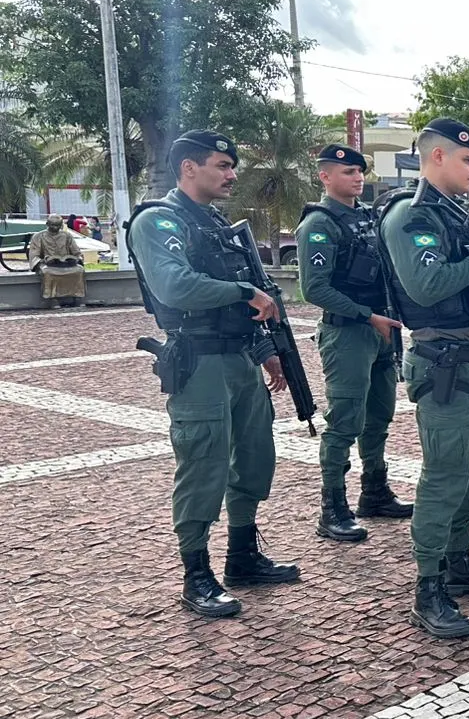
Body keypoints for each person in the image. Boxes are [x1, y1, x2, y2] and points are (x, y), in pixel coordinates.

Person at [126, 130, 300, 619]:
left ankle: (242, 555)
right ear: (189, 168)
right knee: (203, 464)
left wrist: (266, 350)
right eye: (222, 165)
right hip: (199, 361)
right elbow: (174, 285)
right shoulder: (159, 220)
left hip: (240, 357)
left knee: (255, 457)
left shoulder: (217, 223)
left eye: (231, 166)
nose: (232, 174)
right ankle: (196, 574)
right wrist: (244, 292)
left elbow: (251, 296)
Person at [378, 117, 469, 640]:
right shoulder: (410, 215)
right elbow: (426, 284)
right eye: (467, 160)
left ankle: (459, 561)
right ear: (436, 157)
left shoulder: (458, 216)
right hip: (444, 365)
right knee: (444, 476)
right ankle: (428, 587)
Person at [295, 144, 411, 545]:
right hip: (348, 333)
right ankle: (333, 508)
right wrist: (367, 316)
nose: (357, 177)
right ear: (325, 177)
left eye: (360, 171)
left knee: (379, 416)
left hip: (382, 329)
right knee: (344, 421)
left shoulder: (368, 218)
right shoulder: (320, 223)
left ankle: (374, 492)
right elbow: (314, 289)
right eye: (347, 172)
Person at [28, 215, 87, 307]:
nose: (55, 228)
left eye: (58, 225)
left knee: (79, 270)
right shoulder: (38, 236)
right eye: (53, 225)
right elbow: (34, 256)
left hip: (66, 264)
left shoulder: (67, 236)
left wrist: (78, 259)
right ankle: (53, 299)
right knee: (47, 272)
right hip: (47, 264)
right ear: (47, 224)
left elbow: (77, 252)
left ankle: (77, 297)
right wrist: (43, 261)